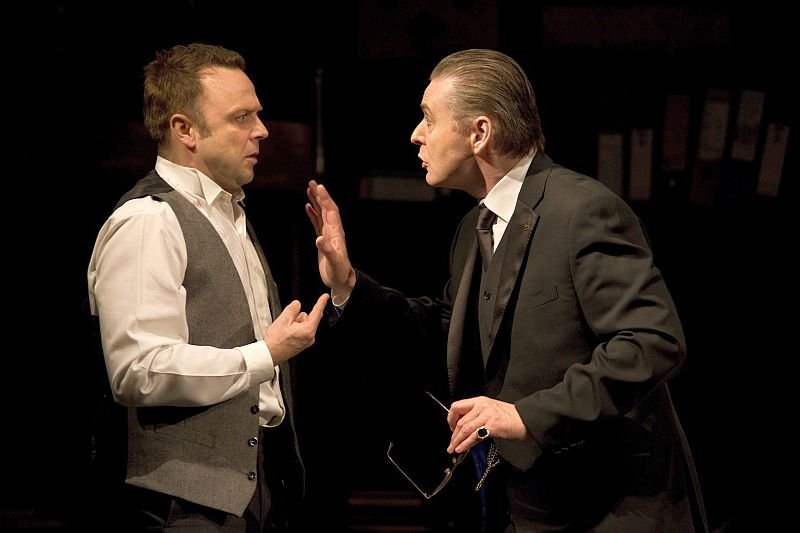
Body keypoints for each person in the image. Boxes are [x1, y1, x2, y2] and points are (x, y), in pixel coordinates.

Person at [306, 49, 706, 532]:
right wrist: (349, 284)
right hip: (520, 506)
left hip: (607, 508)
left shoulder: (582, 210)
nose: (416, 134)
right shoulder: (474, 228)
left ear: (479, 133)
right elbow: (452, 331)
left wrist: (527, 417)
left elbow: (651, 342)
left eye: (429, 118)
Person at [86, 42, 329, 532]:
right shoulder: (149, 220)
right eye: (241, 117)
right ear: (185, 130)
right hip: (183, 501)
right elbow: (138, 370)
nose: (261, 130)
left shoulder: (230, 214)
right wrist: (265, 353)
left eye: (257, 114)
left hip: (257, 486)